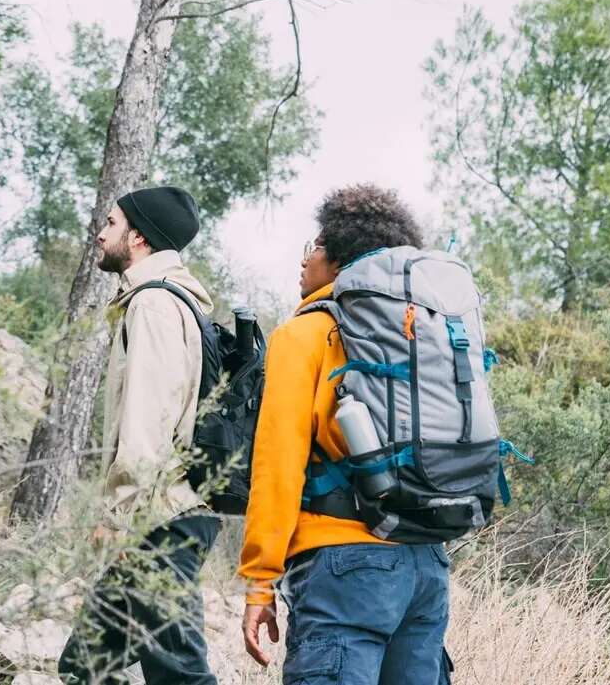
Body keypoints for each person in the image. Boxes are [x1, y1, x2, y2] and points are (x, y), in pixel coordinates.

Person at [239, 184, 451, 685]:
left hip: (344, 563)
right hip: (426, 563)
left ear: (340, 261)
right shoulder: (422, 331)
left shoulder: (304, 334)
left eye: (314, 246)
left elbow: (278, 464)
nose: (304, 259)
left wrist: (260, 581)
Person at [58, 185, 222, 685]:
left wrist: (121, 516)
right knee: (87, 665)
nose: (100, 232)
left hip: (160, 518)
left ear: (139, 238)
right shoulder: (175, 302)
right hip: (172, 513)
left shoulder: (152, 304)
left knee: (178, 674)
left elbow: (149, 417)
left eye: (111, 223)